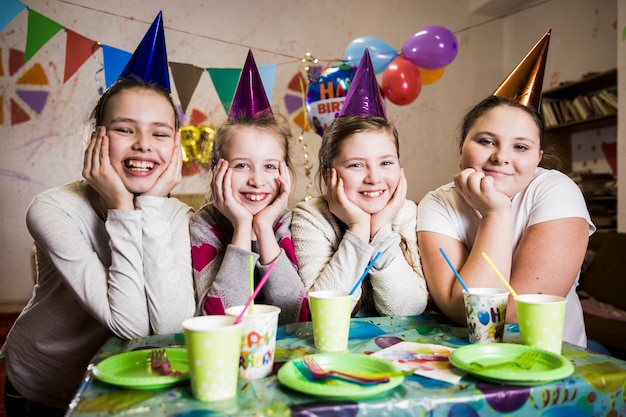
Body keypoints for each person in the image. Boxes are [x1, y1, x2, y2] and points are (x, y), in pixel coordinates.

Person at [1, 13, 195, 415]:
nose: (144, 145)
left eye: (160, 133)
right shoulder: (53, 209)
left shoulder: (175, 215)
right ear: (97, 138)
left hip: (131, 380)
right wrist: (123, 207)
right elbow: (129, 325)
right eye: (125, 129)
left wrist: (153, 207)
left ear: (175, 148)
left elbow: (169, 328)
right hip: (47, 381)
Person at [417, 30, 594, 347]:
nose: (501, 157)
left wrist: (496, 211)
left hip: (549, 364)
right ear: (461, 148)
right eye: (486, 142)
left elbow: (509, 314)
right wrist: (495, 213)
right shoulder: (437, 202)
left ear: (539, 157)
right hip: (463, 356)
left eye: (521, 147)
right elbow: (461, 309)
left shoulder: (556, 191)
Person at [292, 50, 429, 317]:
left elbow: (406, 310)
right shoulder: (311, 218)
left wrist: (380, 230)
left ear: (400, 170)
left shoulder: (406, 214)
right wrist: (357, 229)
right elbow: (324, 313)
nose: (374, 178)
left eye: (386, 163)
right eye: (356, 165)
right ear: (327, 175)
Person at [190, 50, 307, 325]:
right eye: (242, 166)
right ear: (218, 170)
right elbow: (220, 321)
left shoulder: (285, 224)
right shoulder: (204, 226)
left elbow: (297, 315)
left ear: (284, 173)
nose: (257, 180)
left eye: (269, 167)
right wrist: (243, 227)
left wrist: (264, 228)